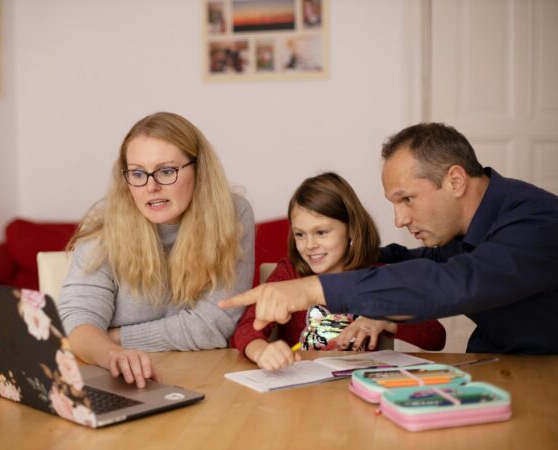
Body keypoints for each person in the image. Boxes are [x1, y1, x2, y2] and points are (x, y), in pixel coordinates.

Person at [221, 123, 558, 354]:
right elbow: (405, 261)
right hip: (497, 367)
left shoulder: (538, 221)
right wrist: (340, 258)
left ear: (455, 181)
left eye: (407, 199)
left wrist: (314, 288)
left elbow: (458, 281)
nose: (400, 219)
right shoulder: (457, 234)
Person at [58, 112, 254, 387]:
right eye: (138, 173)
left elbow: (215, 326)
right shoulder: (104, 223)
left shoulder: (232, 214)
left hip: (206, 380)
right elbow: (77, 322)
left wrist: (113, 336)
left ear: (199, 169)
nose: (151, 186)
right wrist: (112, 353)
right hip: (117, 379)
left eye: (166, 171)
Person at [231, 173, 445, 370]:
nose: (310, 245)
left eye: (321, 232)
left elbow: (436, 337)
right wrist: (262, 351)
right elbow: (246, 329)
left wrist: (386, 319)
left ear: (351, 229)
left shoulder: (377, 278)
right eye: (300, 234)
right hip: (299, 394)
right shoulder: (289, 274)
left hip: (358, 390)